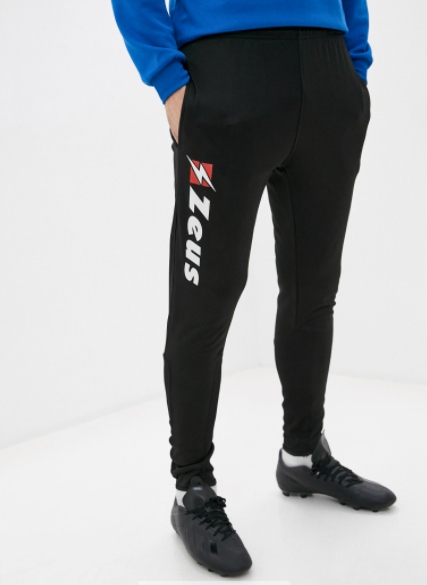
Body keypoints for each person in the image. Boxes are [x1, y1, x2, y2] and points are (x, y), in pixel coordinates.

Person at [111, 0, 397, 577]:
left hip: (327, 76)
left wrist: (354, 66)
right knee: (205, 300)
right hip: (225, 77)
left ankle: (303, 456)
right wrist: (170, 84)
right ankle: (192, 489)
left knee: (315, 287)